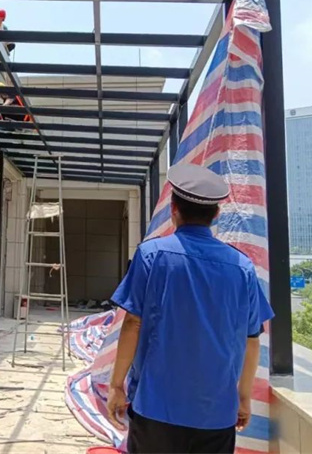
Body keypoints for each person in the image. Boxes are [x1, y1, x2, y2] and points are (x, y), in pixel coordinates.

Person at [107, 163, 274, 454]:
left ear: (173, 209)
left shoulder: (152, 255)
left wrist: (116, 385)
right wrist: (243, 397)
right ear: (216, 214)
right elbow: (251, 339)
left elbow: (133, 322)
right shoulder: (242, 267)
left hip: (155, 407)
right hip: (217, 413)